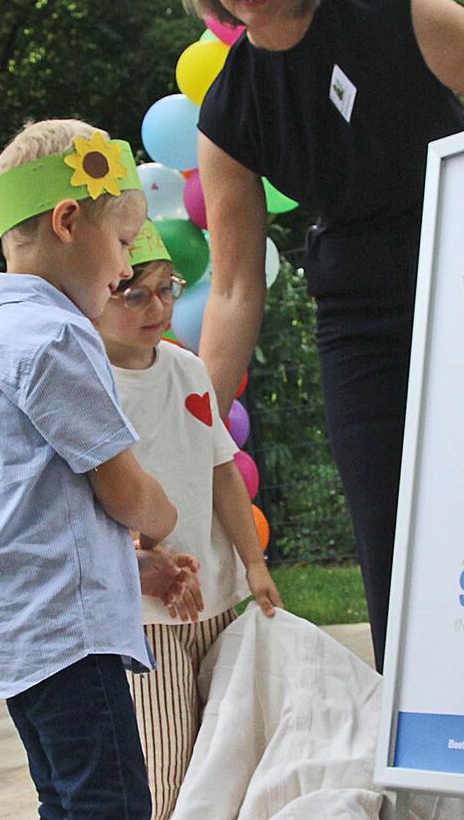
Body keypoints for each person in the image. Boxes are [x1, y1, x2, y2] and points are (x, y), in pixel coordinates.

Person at [165, 0, 464, 668]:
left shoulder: (395, 10)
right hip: (358, 321)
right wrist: (194, 437)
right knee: (394, 546)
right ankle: (431, 781)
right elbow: (238, 292)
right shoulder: (228, 111)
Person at [0, 119, 192, 819]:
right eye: (120, 243)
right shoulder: (56, 335)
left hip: (19, 631)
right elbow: (120, 487)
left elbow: (33, 508)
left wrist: (132, 568)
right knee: (110, 805)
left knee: (67, 801)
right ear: (67, 221)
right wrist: (163, 518)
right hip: (66, 634)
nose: (125, 268)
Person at [93, 220, 283, 819]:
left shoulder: (187, 369)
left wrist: (252, 563)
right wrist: (134, 555)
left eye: (166, 288)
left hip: (217, 593)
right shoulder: (90, 383)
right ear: (98, 296)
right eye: (135, 293)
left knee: (227, 744)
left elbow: (222, 469)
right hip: (145, 612)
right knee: (165, 758)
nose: (157, 306)